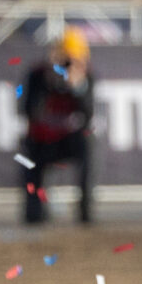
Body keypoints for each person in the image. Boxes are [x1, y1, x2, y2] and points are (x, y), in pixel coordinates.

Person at [21, 29, 96, 223]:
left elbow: (88, 115)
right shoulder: (38, 75)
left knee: (89, 143)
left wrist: (77, 87)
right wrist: (49, 83)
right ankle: (35, 208)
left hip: (70, 140)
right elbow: (29, 111)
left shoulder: (87, 78)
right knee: (28, 154)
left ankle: (85, 211)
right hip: (42, 142)